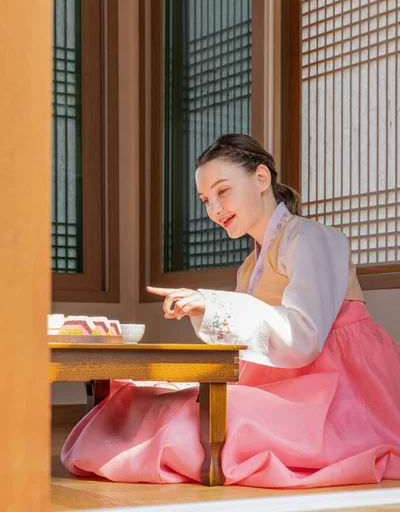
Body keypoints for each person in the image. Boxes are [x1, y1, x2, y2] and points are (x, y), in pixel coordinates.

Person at [61, 133, 400, 488]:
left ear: (261, 178)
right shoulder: (249, 265)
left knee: (188, 424)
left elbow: (305, 336)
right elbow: (254, 335)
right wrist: (206, 309)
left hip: (338, 386)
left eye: (223, 191)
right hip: (283, 375)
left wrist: (213, 305)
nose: (214, 210)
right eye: (206, 199)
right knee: (145, 401)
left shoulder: (312, 238)